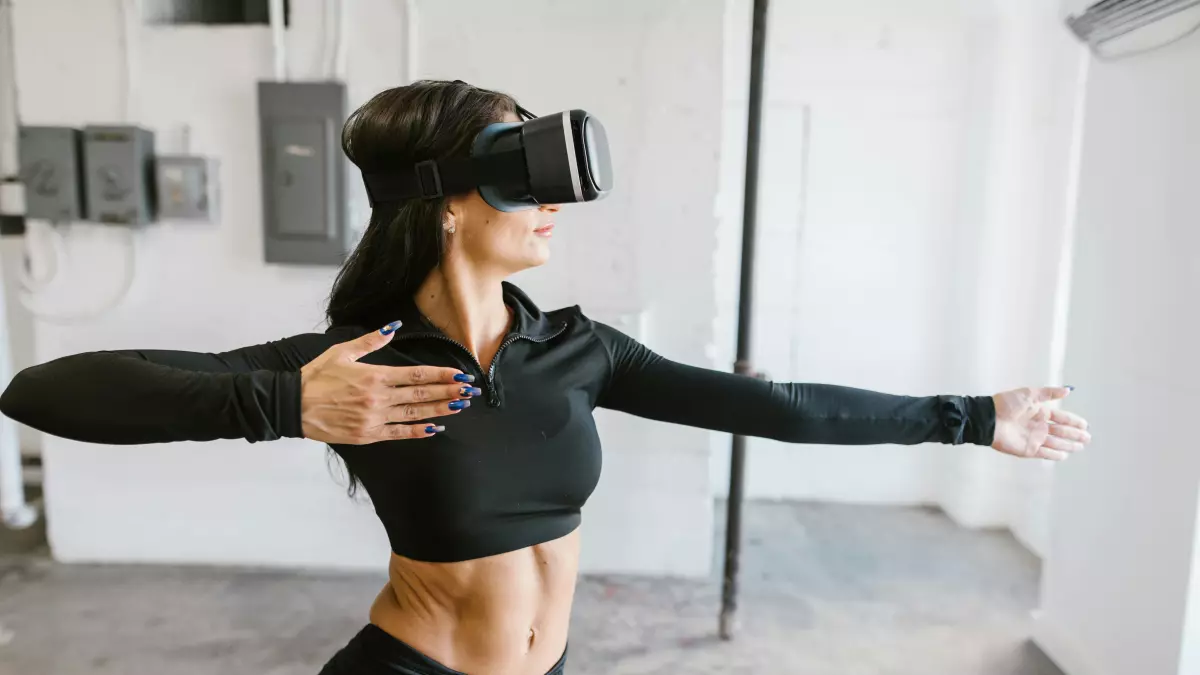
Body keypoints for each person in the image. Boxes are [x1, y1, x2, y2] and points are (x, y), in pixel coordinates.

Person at [0, 80, 1091, 675]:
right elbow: (44, 392)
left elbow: (773, 406)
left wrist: (972, 418)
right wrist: (282, 404)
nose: (554, 203)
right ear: (450, 201)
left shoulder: (580, 350)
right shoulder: (353, 365)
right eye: (523, 174)